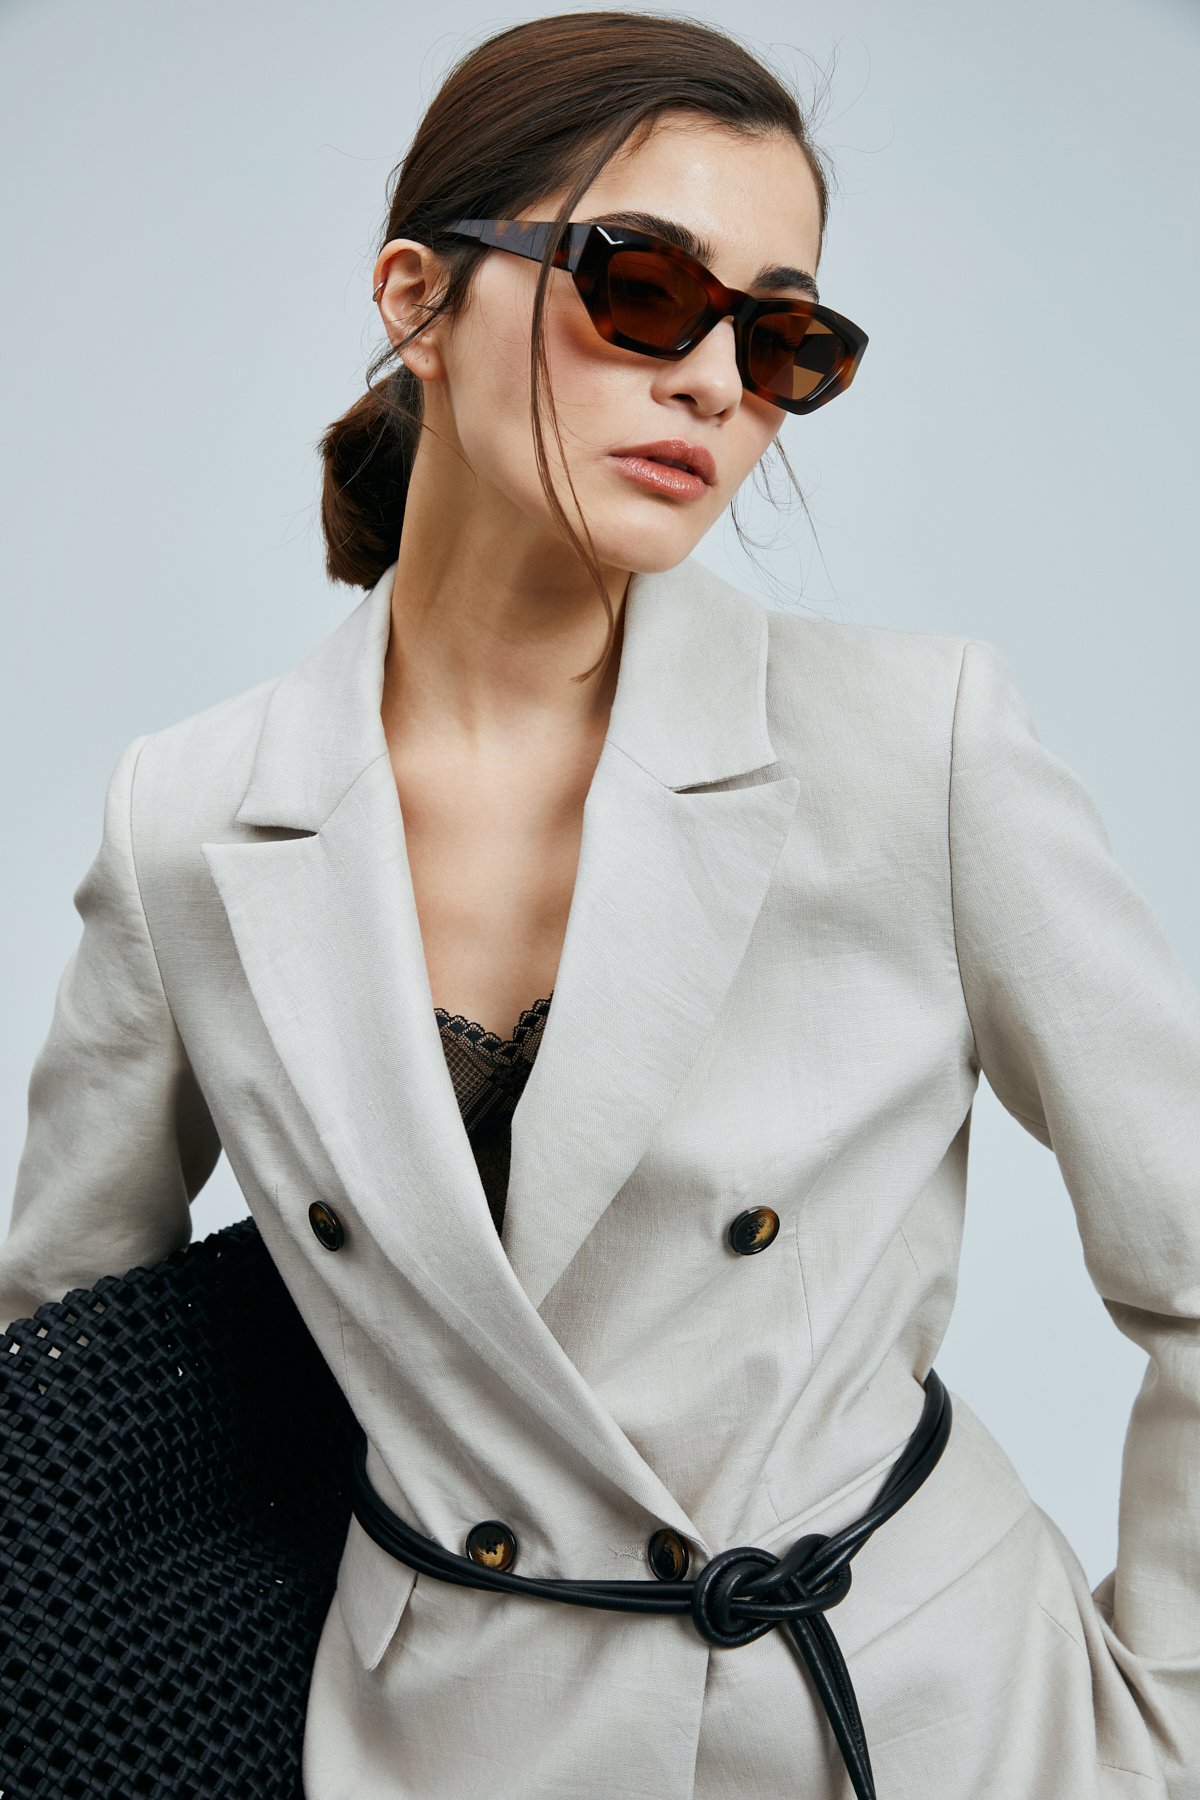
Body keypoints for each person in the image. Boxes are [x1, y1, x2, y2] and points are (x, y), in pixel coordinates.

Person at [1, 10, 1196, 1798]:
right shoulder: (191, 820)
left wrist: (1170, 1722)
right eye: (642, 288)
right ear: (417, 298)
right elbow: (68, 1370)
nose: (716, 382)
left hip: (920, 1722)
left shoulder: (916, 746)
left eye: (781, 337)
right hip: (446, 1747)